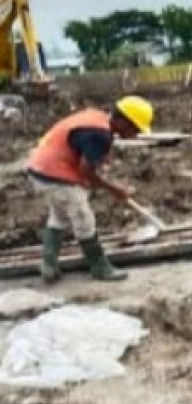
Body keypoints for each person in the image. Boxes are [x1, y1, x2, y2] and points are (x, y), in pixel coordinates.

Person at [27, 96, 154, 283]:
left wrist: (102, 182)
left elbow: (85, 160)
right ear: (123, 121)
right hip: (56, 173)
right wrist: (114, 189)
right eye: (135, 129)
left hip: (39, 168)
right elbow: (86, 171)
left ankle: (49, 264)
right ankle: (99, 267)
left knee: (60, 216)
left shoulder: (97, 118)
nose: (136, 134)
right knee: (83, 218)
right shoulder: (99, 134)